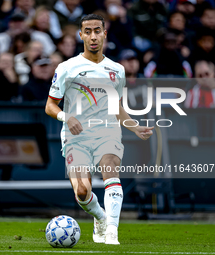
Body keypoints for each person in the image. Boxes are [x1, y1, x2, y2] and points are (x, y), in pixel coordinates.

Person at [45, 14, 154, 245]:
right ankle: (101, 218)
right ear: (81, 35)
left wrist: (135, 128)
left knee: (110, 168)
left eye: (97, 31)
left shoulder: (117, 70)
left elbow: (117, 108)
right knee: (82, 192)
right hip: (76, 136)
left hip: (107, 132)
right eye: (88, 31)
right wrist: (66, 116)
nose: (93, 36)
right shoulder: (67, 68)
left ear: (105, 34)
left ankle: (112, 231)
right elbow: (50, 105)